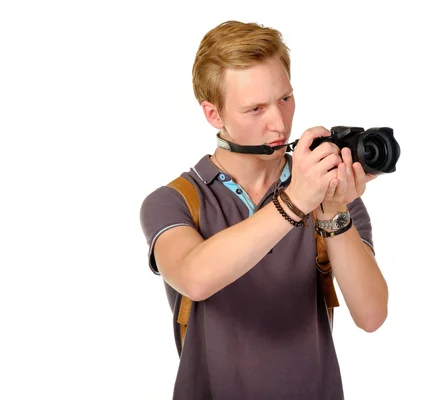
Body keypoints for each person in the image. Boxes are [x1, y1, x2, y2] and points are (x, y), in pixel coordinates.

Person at [139, 20, 388, 400]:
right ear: (214, 115)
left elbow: (371, 316)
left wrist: (333, 210)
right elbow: (195, 277)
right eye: (255, 109)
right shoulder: (175, 201)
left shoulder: (325, 190)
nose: (279, 122)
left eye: (284, 99)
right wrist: (296, 200)